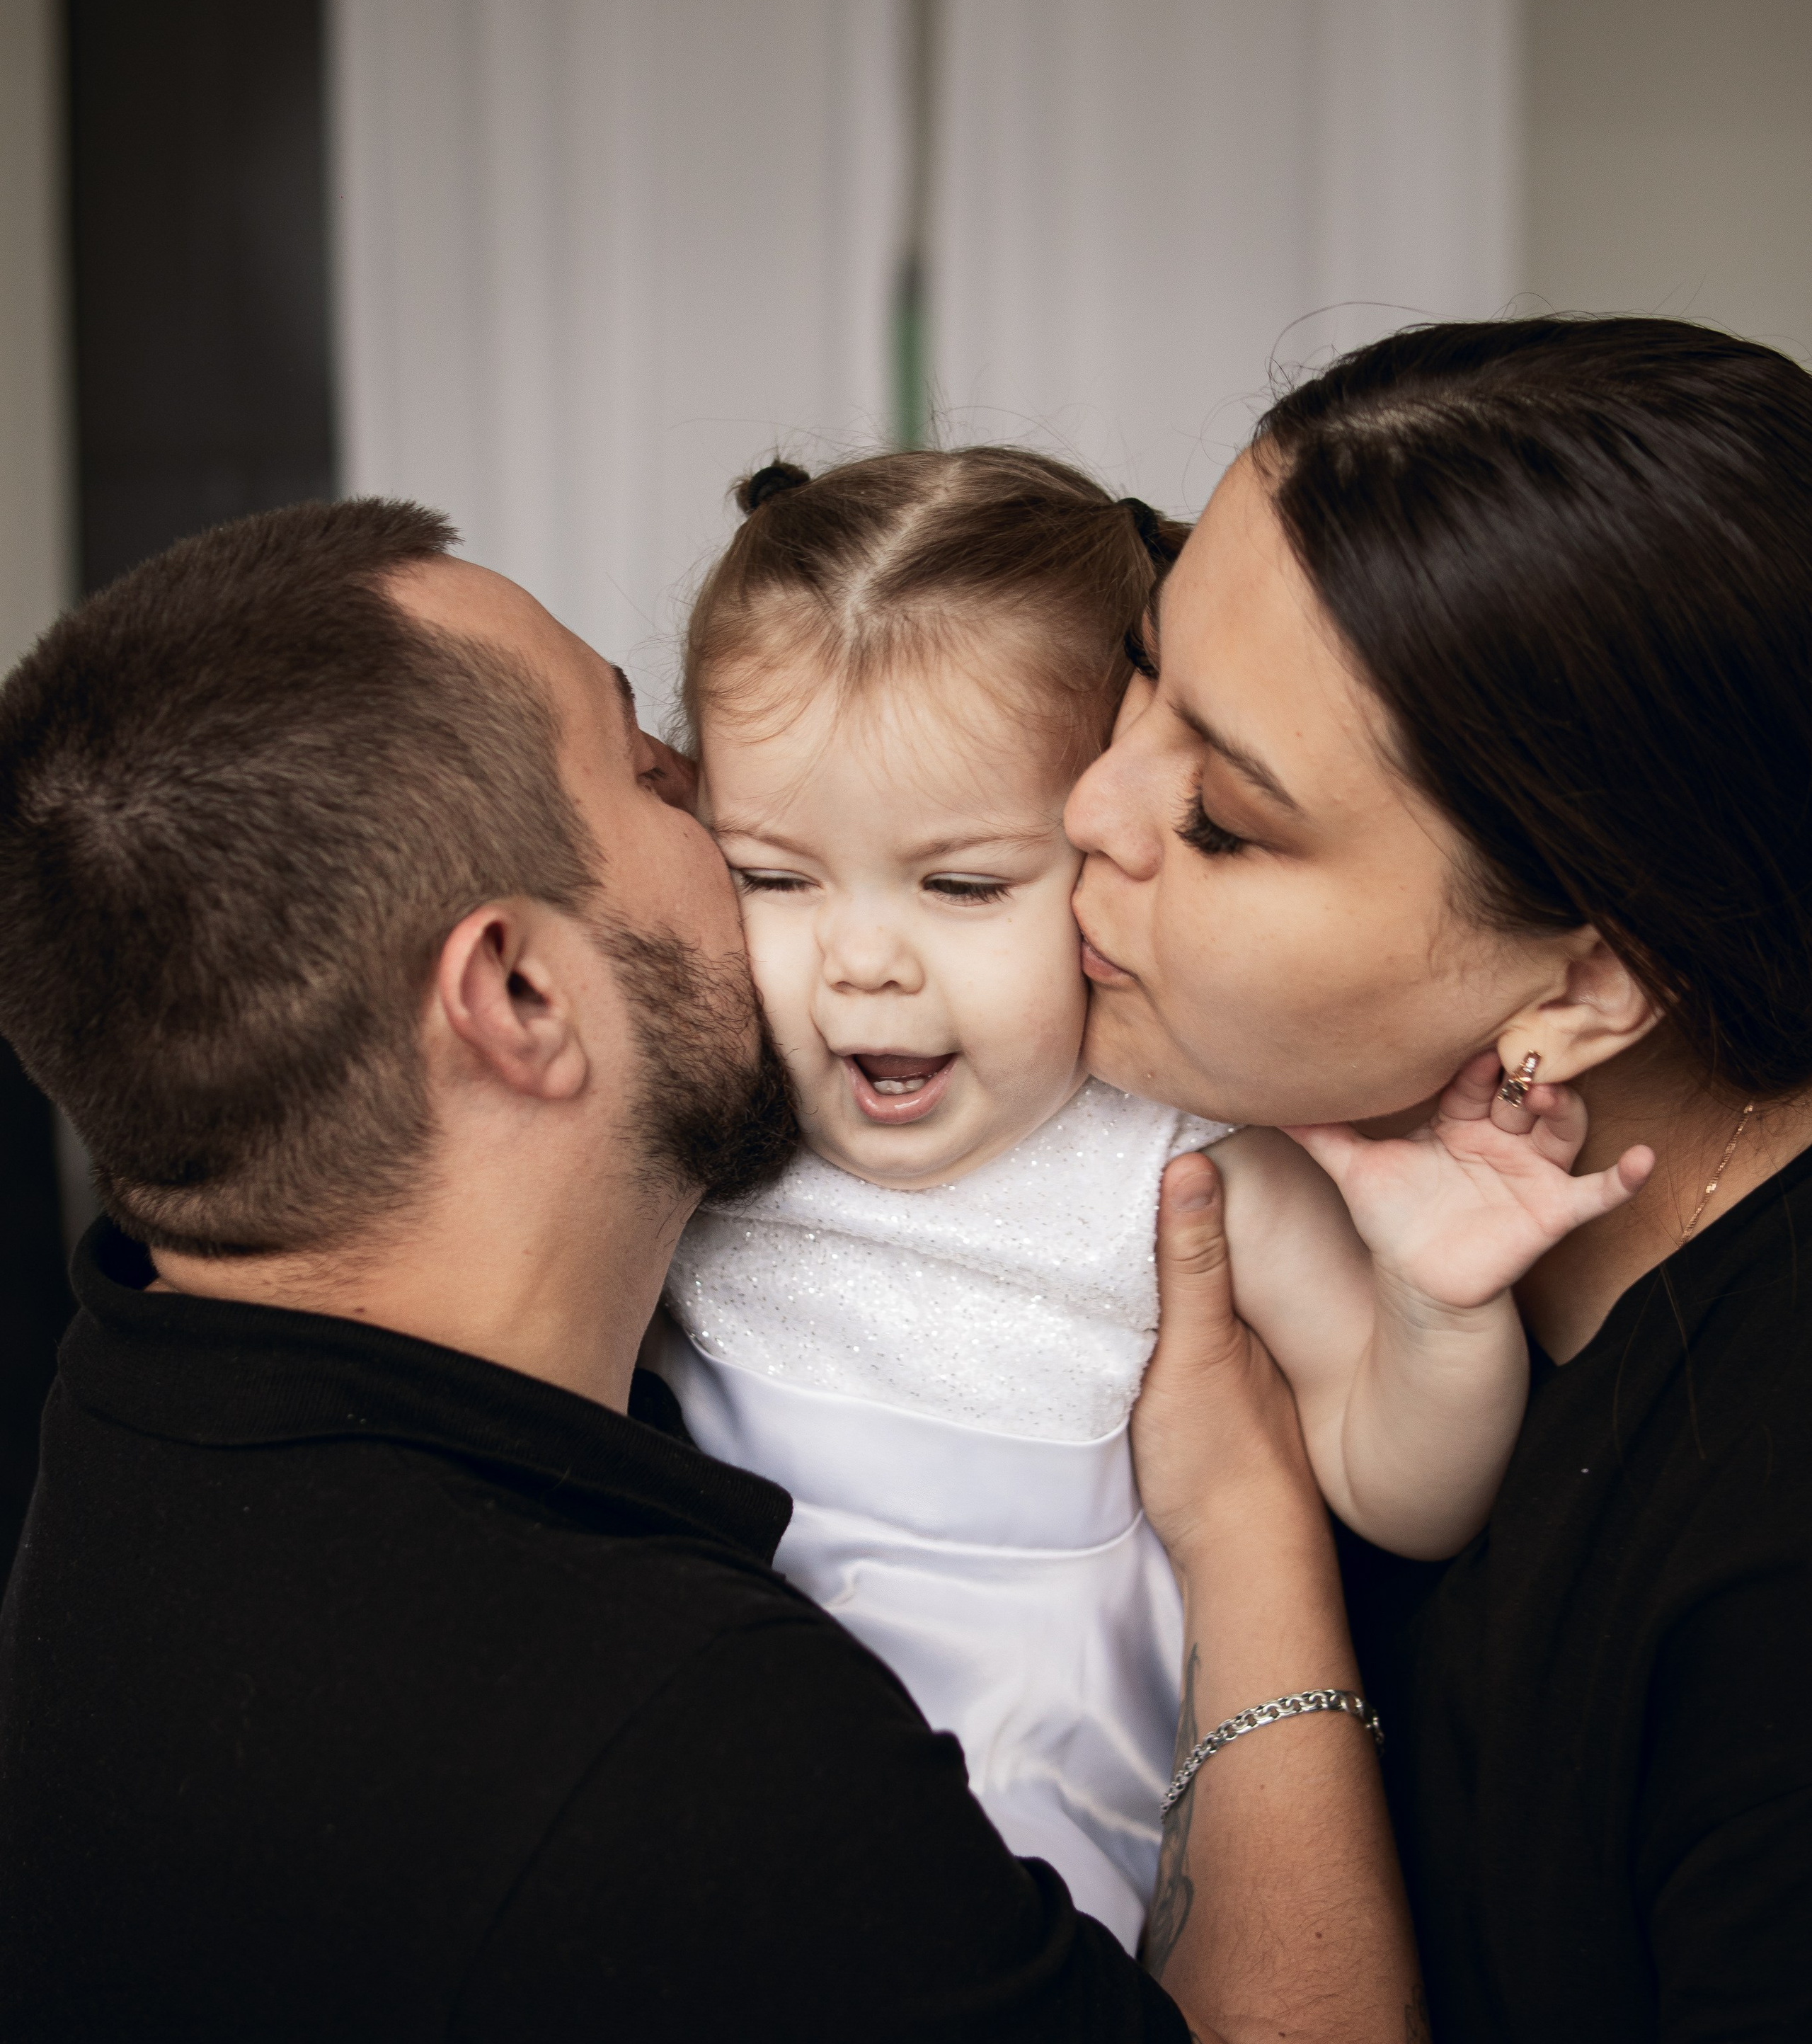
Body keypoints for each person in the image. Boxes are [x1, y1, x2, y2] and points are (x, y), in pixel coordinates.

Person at [0, 497, 1424, 2044]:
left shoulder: (143, 1421)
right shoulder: (643, 1763)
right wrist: (1246, 1536)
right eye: (651, 773)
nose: (713, 787)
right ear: (518, 993)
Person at [1065, 316, 1812, 2044]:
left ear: (1579, 994)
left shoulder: (1765, 1560)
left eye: (1217, 817)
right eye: (1139, 683)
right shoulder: (1300, 1195)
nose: (1086, 807)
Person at [655, 447, 1650, 1951]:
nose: (858, 961)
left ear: (1110, 862)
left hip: (1048, 1845)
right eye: (774, 878)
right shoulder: (705, 1119)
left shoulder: (1175, 1161)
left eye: (964, 885)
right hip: (704, 1790)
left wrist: (1435, 1306)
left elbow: (1406, 1492)